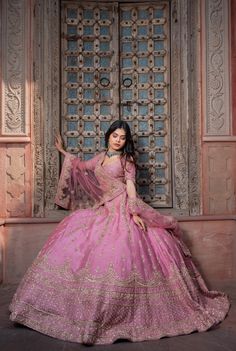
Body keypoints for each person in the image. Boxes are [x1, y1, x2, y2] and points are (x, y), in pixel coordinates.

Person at [9, 120, 230, 345]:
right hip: (104, 209)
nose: (118, 140)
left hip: (123, 207)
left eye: (122, 137)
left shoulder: (127, 161)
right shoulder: (99, 158)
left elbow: (131, 185)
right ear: (108, 136)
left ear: (126, 141)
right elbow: (80, 167)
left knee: (122, 251)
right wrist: (62, 151)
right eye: (115, 135)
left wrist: (134, 212)